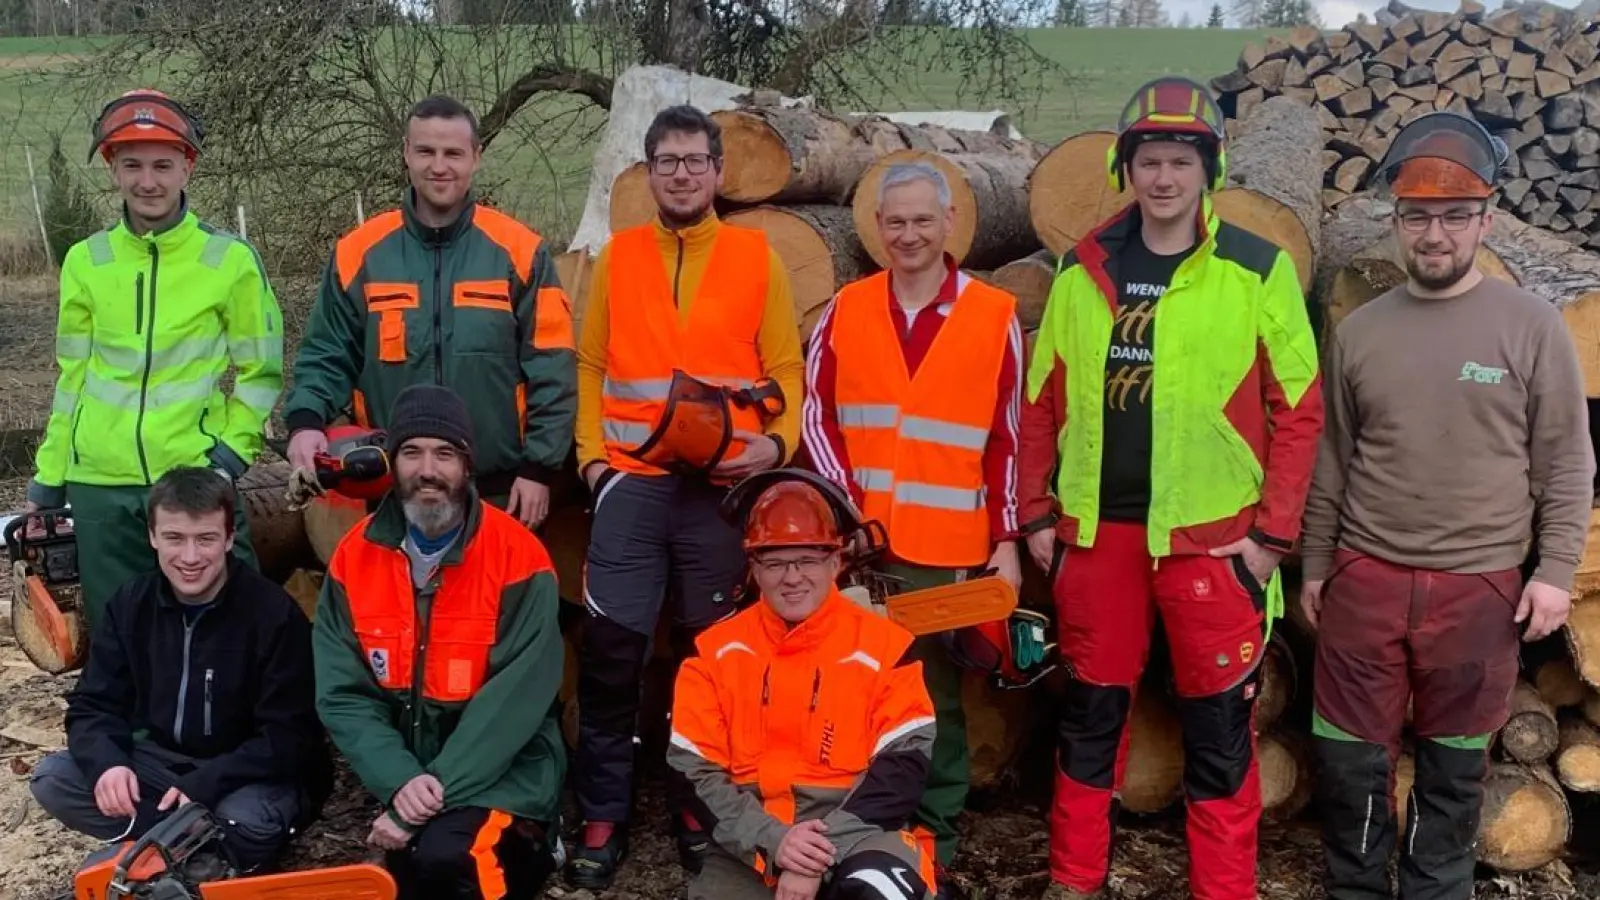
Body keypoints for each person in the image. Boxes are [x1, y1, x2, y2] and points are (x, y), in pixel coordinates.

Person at [1019, 76, 1324, 900]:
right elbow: (1041, 400)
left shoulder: (1255, 271)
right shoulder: (1081, 272)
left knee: (1221, 733)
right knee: (1087, 725)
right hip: (1098, 539)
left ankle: (1224, 891)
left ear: (1207, 171)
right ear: (1128, 168)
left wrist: (1268, 543)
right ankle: (1074, 882)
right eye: (1149, 160)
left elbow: (1299, 412)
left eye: (1180, 161)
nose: (1164, 178)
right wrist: (1036, 514)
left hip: (1211, 544)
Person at [1299, 111, 1596, 900]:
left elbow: (1567, 458)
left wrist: (1556, 568)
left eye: (1456, 217)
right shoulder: (1359, 332)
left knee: (1454, 770)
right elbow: (1332, 459)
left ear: (1486, 219)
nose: (1436, 234)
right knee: (1350, 765)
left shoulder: (1531, 328)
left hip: (1479, 589)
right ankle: (1357, 890)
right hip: (1366, 579)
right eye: (1419, 216)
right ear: (1395, 220)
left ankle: (1437, 890)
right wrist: (1319, 565)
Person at [566, 103, 805, 888]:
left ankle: (705, 812)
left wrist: (776, 445)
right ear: (649, 170)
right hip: (632, 483)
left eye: (694, 161)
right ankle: (603, 813)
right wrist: (594, 462)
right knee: (611, 655)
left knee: (715, 660)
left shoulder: (755, 258)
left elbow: (786, 367)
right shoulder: (619, 256)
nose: (680, 174)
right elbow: (592, 364)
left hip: (719, 488)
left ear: (717, 172)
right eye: (666, 161)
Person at [801, 160, 1023, 890]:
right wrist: (842, 508)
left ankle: (937, 834)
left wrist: (1007, 543)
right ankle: (854, 823)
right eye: (894, 221)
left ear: (951, 222)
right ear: (876, 228)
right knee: (849, 686)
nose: (908, 234)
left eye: (922, 220)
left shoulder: (994, 315)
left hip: (947, 550)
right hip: (858, 548)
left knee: (934, 699)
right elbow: (817, 416)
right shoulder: (846, 308)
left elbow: (1010, 439)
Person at [25, 88, 281, 628]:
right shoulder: (85, 261)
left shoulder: (229, 260)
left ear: (187, 168)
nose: (148, 181)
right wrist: (50, 476)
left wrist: (229, 457)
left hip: (193, 474)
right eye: (133, 165)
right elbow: (72, 379)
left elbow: (261, 373)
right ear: (112, 170)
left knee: (230, 625)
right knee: (121, 635)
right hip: (99, 486)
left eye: (163, 165)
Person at [311, 384, 567, 899]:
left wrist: (421, 801)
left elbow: (513, 704)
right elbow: (344, 694)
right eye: (412, 452)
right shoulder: (353, 558)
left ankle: (540, 837)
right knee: (407, 876)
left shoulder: (520, 557)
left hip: (504, 770)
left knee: (451, 859)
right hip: (411, 774)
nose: (428, 469)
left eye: (444, 454)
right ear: (393, 463)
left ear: (467, 466)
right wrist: (399, 781)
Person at [284, 94, 575, 529]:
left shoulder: (521, 252)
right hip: (394, 488)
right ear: (406, 153)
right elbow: (326, 353)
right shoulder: (359, 253)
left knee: (497, 598)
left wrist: (540, 468)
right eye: (426, 151)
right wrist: (305, 421)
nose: (439, 166)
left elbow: (553, 367)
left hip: (498, 489)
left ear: (475, 157)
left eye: (453, 153)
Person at [29, 467, 327, 873]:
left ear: (227, 539)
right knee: (54, 779)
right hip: (165, 765)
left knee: (251, 823)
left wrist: (206, 785)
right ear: (153, 537)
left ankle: (161, 855)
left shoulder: (273, 614)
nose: (189, 558)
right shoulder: (132, 605)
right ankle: (194, 856)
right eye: (174, 538)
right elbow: (93, 704)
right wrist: (109, 765)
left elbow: (290, 736)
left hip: (246, 776)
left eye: (205, 539)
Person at [668, 467, 939, 900]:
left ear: (835, 561)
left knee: (878, 892)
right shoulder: (712, 654)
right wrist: (777, 844)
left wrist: (814, 853)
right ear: (753, 567)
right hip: (750, 842)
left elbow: (902, 769)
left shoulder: (887, 647)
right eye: (774, 562)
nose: (792, 577)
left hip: (860, 834)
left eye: (807, 560)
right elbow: (693, 774)